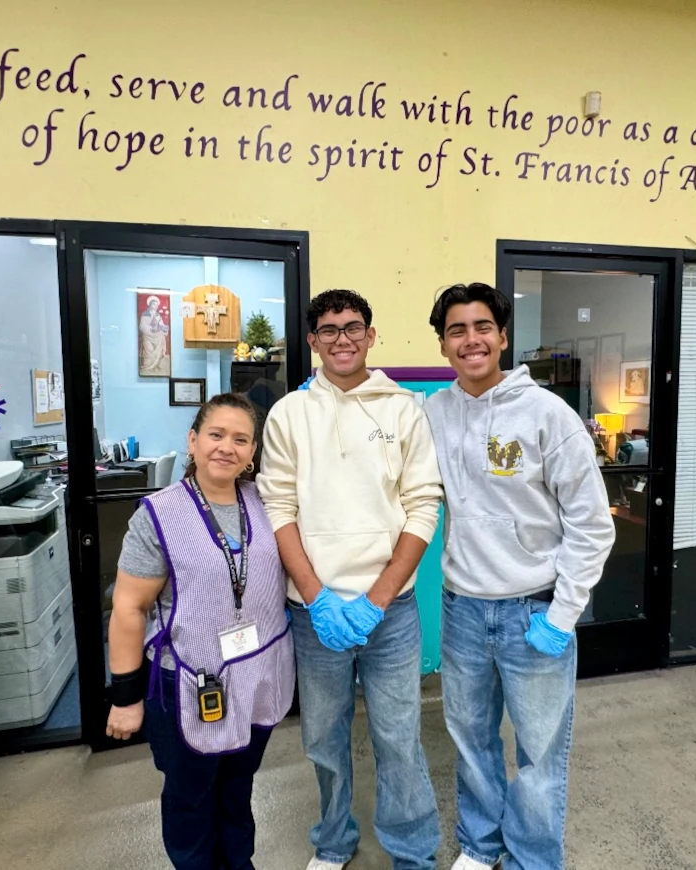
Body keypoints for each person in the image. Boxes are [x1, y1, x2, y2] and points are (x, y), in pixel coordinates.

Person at [424, 283, 616, 870]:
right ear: (443, 344)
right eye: (457, 330)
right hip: (462, 608)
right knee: (470, 740)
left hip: (534, 610)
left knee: (540, 754)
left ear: (503, 337)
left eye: (482, 327)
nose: (471, 340)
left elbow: (592, 525)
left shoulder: (548, 415)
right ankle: (480, 847)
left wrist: (563, 614)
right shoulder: (433, 413)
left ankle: (533, 858)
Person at [258, 289, 443, 870]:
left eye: (354, 327)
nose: (343, 338)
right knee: (323, 739)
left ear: (371, 335)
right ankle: (334, 841)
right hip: (314, 615)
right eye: (330, 329)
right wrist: (317, 599)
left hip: (391, 613)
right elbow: (278, 509)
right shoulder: (289, 414)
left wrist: (376, 600)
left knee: (399, 737)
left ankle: (413, 853)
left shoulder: (404, 409)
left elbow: (423, 507)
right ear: (313, 341)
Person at [105, 393, 295, 870]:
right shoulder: (159, 515)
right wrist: (125, 698)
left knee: (238, 788)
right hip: (188, 683)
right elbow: (129, 608)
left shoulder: (268, 503)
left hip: (257, 676)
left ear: (252, 453)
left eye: (240, 439)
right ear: (192, 441)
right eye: (215, 435)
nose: (226, 447)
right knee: (191, 797)